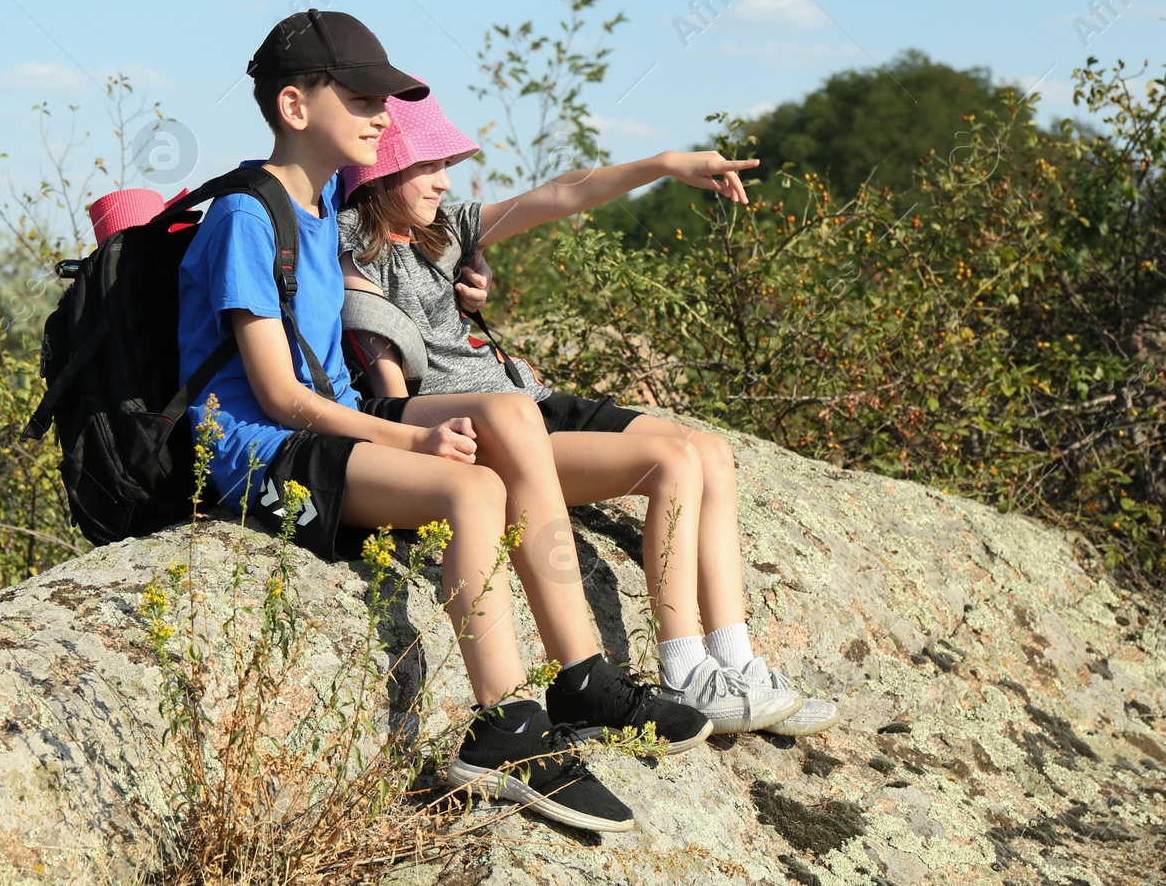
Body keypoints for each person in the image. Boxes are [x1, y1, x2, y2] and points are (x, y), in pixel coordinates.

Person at [177, 10, 713, 834]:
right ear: (294, 107)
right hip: (259, 455)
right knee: (471, 492)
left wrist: (471, 265)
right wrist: (412, 439)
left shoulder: (318, 204)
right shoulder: (247, 217)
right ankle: (502, 730)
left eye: (382, 99)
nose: (381, 115)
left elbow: (412, 250)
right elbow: (280, 397)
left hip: (329, 427)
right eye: (359, 97)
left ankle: (584, 676)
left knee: (507, 412)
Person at [335, 85, 840, 737]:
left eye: (443, 164)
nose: (443, 179)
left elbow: (562, 193)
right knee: (671, 462)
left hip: (529, 400)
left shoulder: (447, 231)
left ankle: (736, 662)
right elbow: (386, 379)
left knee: (711, 451)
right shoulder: (352, 248)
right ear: (380, 174)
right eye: (426, 165)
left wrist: (664, 163)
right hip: (483, 429)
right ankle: (686, 668)